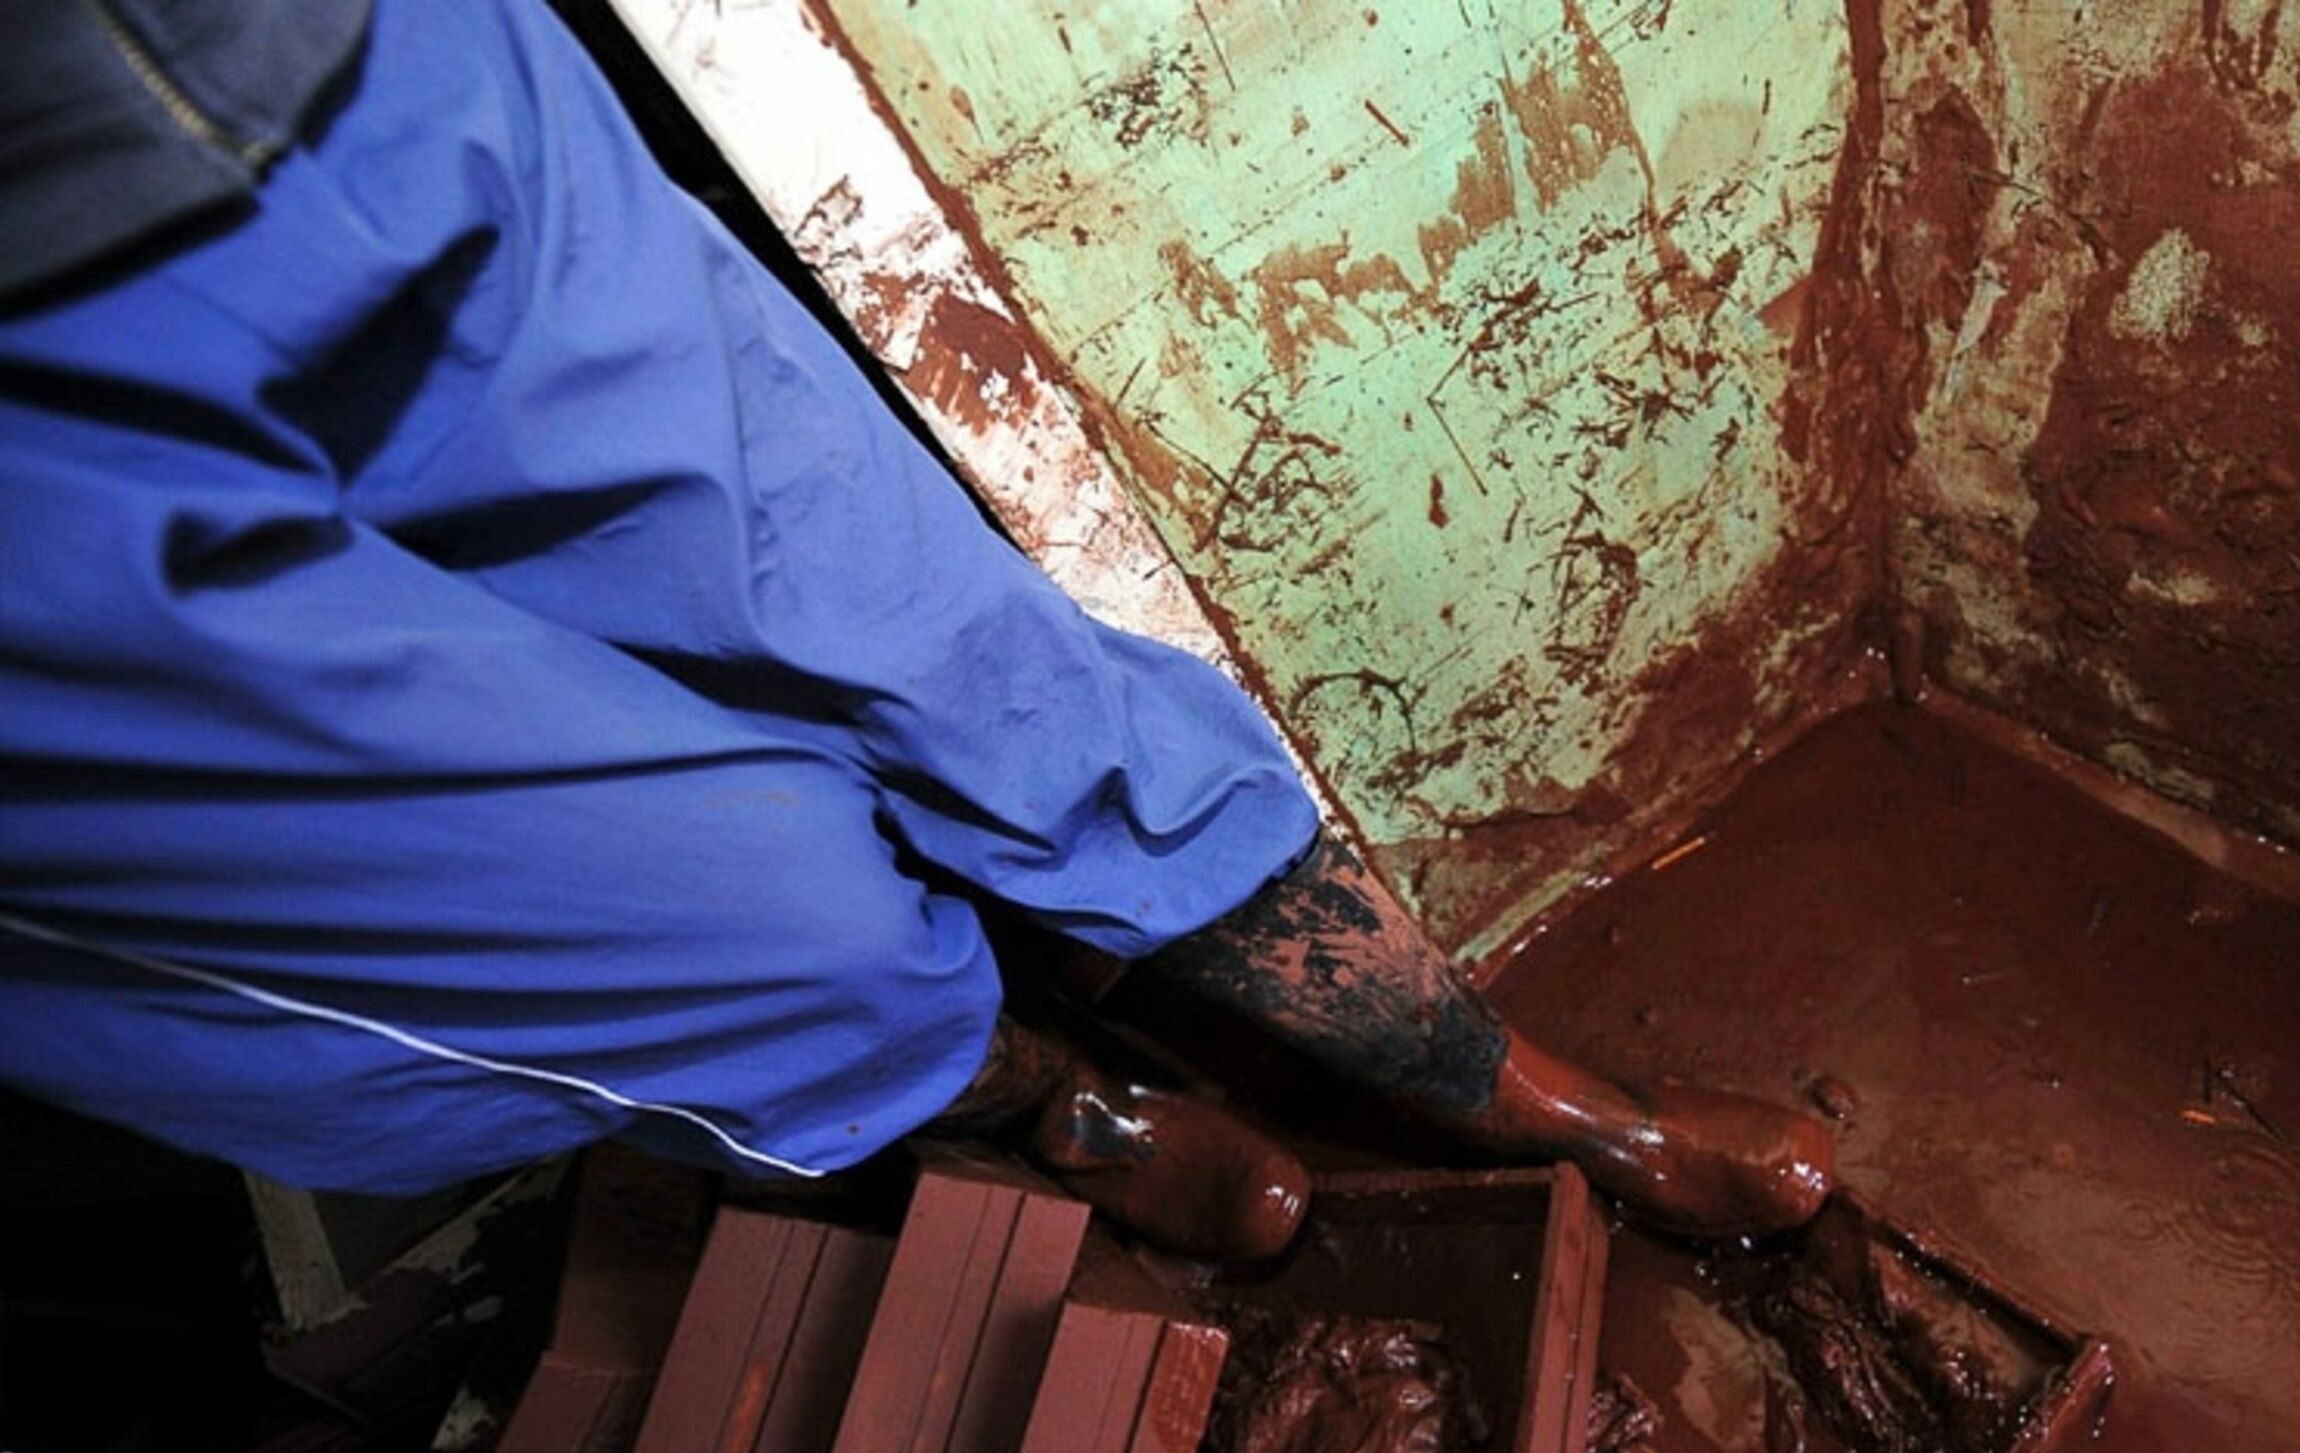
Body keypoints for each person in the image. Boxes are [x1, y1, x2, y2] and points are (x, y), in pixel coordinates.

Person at [0, 0, 1833, 1260]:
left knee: (957, 651)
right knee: (693, 912)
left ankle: (1534, 1098)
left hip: (299, 69)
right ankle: (1061, 1112)